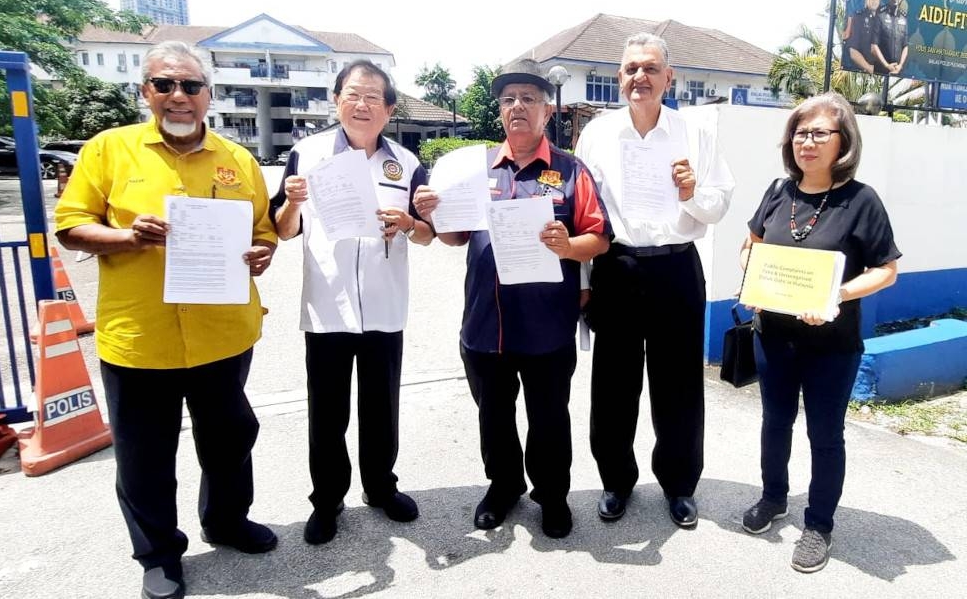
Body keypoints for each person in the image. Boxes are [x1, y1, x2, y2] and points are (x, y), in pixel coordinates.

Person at [54, 40, 278, 599]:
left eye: (190, 86)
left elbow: (263, 230)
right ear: (145, 92)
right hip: (140, 337)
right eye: (165, 85)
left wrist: (262, 251)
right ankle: (158, 553)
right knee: (144, 454)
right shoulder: (110, 150)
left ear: (208, 95)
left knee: (230, 439)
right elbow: (71, 225)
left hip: (222, 335)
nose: (178, 97)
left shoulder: (238, 161)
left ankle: (226, 522)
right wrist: (126, 237)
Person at [412, 59, 611, 539]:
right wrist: (429, 214)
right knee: (493, 416)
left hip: (547, 324)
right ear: (499, 111)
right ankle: (503, 486)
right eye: (508, 99)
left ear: (546, 111)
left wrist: (569, 246)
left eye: (528, 98)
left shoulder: (569, 170)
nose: (517, 106)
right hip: (486, 323)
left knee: (548, 419)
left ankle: (552, 495)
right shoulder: (472, 168)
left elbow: (600, 238)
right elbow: (454, 237)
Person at [269, 60, 434, 545]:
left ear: (389, 108)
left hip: (384, 304)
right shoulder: (307, 153)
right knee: (328, 411)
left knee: (381, 407)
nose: (362, 105)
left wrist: (407, 224)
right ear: (337, 100)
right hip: (327, 305)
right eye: (352, 95)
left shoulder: (405, 163)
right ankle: (327, 500)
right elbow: (283, 229)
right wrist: (294, 202)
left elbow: (428, 236)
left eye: (373, 98)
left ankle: (381, 487)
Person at [575, 33, 734, 528]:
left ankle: (680, 484)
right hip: (617, 269)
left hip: (675, 268)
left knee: (679, 384)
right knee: (613, 384)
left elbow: (719, 202)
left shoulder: (694, 135)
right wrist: (583, 279)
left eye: (649, 68)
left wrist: (691, 192)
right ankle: (616, 480)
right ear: (620, 79)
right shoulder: (597, 134)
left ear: (669, 78)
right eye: (629, 69)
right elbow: (582, 213)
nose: (638, 77)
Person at [739, 92, 900, 573]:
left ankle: (819, 525)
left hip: (832, 343)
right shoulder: (777, 192)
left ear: (842, 141)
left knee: (825, 434)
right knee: (775, 420)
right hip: (773, 335)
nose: (806, 142)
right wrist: (749, 278)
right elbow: (752, 245)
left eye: (818, 133)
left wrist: (836, 295)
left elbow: (887, 270)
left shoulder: (860, 200)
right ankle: (773, 498)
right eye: (800, 133)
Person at [843, 0, 882, 75]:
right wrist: (869, 68)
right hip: (860, 75)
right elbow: (853, 52)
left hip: (882, 76)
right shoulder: (858, 17)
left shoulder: (885, 20)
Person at [872, 0, 908, 75]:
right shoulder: (880, 15)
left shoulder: (904, 18)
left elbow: (905, 46)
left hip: (897, 72)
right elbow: (873, 47)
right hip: (880, 72)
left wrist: (900, 65)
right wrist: (887, 66)